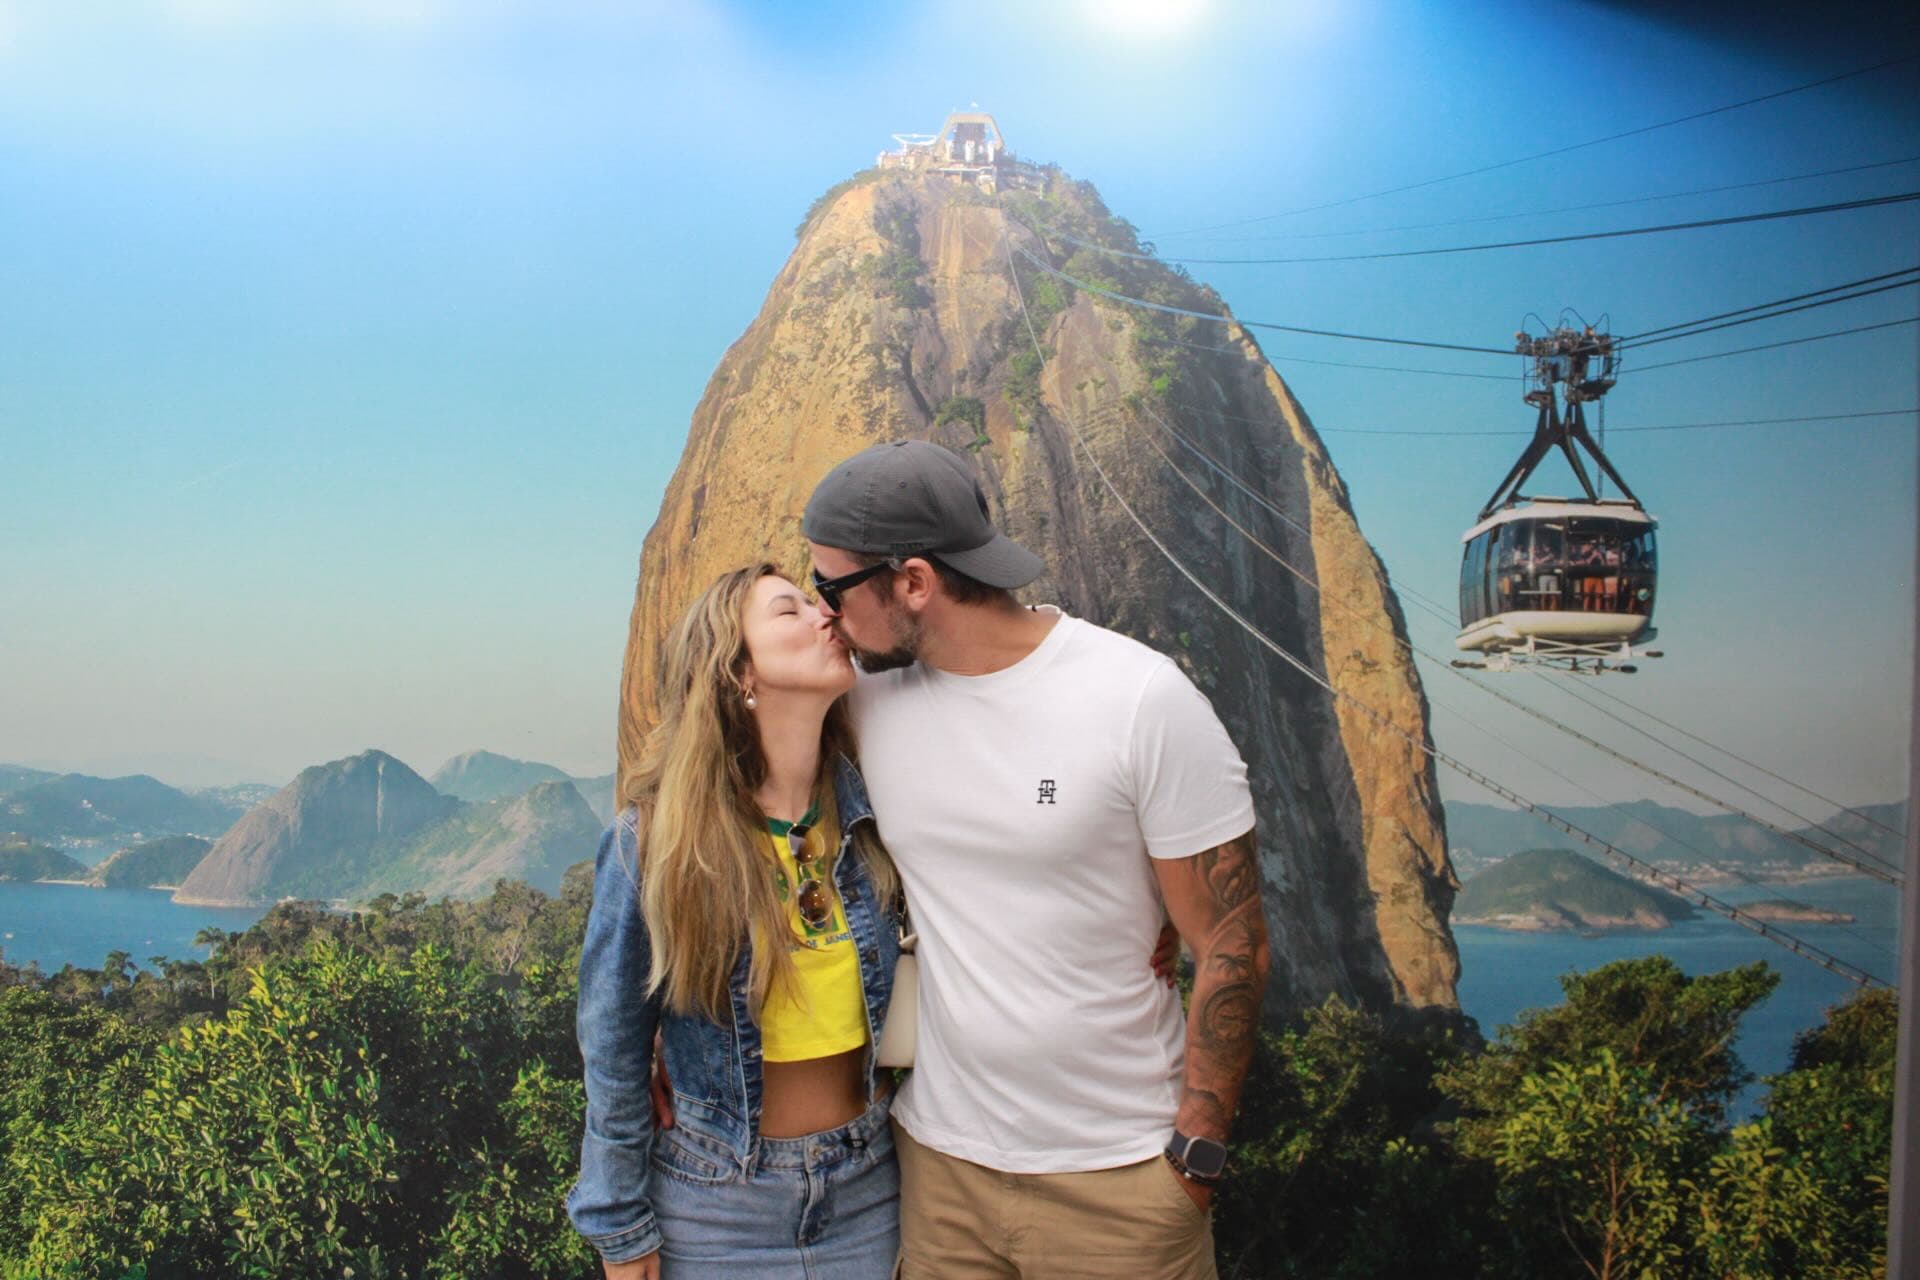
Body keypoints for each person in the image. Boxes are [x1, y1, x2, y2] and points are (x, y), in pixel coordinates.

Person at [802, 439, 1272, 1279]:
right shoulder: (865, 710)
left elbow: (1232, 941)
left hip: (1121, 1184)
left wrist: (1194, 1157)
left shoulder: (1138, 697)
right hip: (941, 1176)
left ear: (913, 580)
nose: (825, 613)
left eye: (830, 587)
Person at [566, 564, 905, 1279]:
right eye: (790, 612)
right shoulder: (655, 844)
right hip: (716, 1201)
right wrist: (620, 1229)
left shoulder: (879, 815)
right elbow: (614, 1044)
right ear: (736, 673)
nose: (826, 616)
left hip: (870, 1185)